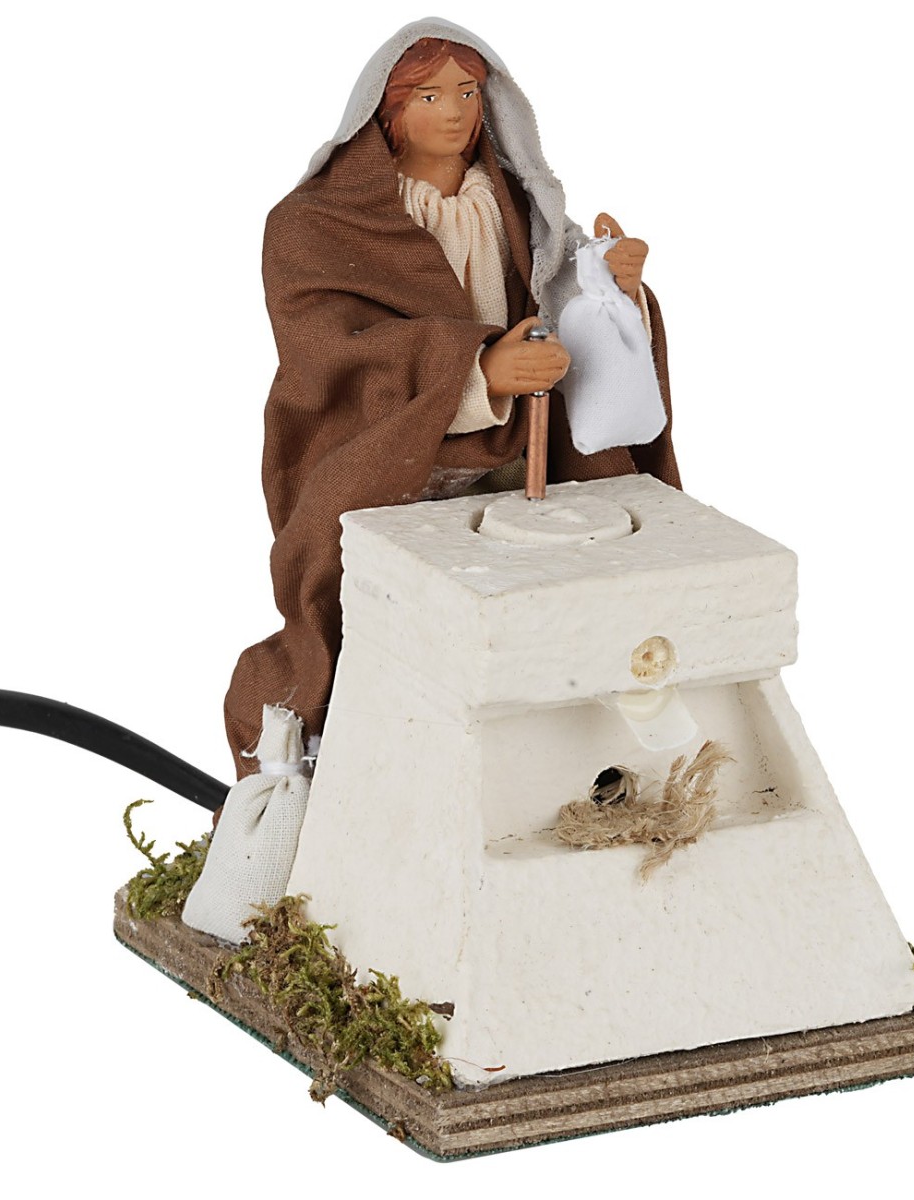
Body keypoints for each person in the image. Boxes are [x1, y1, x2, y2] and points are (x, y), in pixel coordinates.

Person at [224, 19, 680, 777]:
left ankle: (591, 742)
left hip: (522, 453)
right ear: (388, 109)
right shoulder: (312, 224)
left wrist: (609, 287)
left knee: (586, 570)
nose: (456, 112)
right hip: (395, 463)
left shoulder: (517, 207)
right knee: (373, 610)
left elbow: (558, 288)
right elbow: (328, 353)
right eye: (430, 95)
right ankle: (334, 765)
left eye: (468, 92)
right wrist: (476, 371)